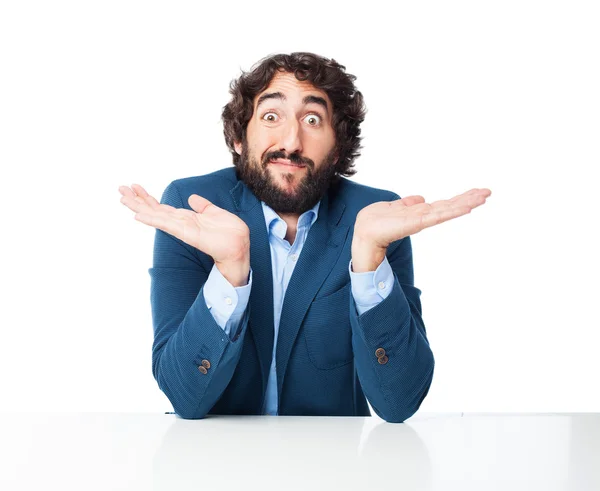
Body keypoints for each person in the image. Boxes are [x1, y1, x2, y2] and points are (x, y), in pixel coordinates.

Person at [119, 52, 491, 422]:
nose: (292, 142)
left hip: (332, 469)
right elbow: (184, 396)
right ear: (238, 137)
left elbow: (399, 403)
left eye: (313, 120)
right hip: (218, 465)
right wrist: (229, 270)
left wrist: (369, 261)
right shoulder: (193, 207)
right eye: (270, 117)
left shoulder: (377, 218)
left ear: (337, 149)